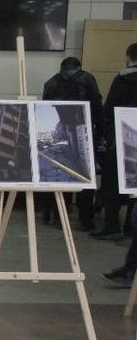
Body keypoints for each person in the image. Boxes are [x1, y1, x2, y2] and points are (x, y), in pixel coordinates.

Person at [40, 57, 103, 230]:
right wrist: (103, 132)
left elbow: (46, 106)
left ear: (61, 68)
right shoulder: (87, 78)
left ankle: (60, 216)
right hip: (86, 129)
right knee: (86, 174)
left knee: (64, 171)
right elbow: (97, 105)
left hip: (65, 130)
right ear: (78, 67)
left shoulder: (51, 82)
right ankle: (85, 220)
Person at [93, 43, 137, 240]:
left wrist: (105, 135)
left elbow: (109, 110)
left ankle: (111, 225)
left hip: (121, 139)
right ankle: (130, 227)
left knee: (113, 183)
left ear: (128, 57)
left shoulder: (123, 78)